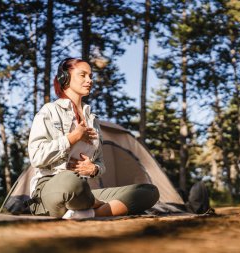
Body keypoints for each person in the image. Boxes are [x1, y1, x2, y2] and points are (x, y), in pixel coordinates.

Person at [28, 57, 159, 219]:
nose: (89, 80)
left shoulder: (92, 120)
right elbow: (36, 157)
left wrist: (94, 169)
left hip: (82, 190)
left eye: (90, 76)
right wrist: (72, 138)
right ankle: (98, 206)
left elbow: (100, 162)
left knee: (149, 192)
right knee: (71, 181)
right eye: (83, 75)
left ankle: (86, 213)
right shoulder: (49, 111)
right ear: (65, 78)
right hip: (51, 187)